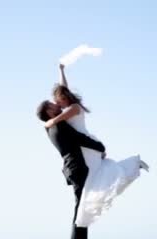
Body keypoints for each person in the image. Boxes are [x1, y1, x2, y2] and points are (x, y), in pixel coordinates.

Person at [44, 64, 149, 230]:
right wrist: (61, 71)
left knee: (96, 180)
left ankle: (131, 166)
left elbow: (56, 118)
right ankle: (132, 165)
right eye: (55, 103)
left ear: (65, 98)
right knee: (97, 179)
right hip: (84, 146)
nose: (57, 103)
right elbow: (64, 89)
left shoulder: (73, 108)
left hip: (85, 146)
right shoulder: (70, 106)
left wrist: (49, 122)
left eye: (58, 100)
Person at [36, 100, 104, 239]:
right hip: (77, 169)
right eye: (53, 106)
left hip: (72, 169)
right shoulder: (59, 126)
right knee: (81, 210)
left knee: (82, 209)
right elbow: (80, 138)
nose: (58, 106)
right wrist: (101, 147)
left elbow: (67, 97)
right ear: (49, 112)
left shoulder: (51, 127)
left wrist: (61, 73)